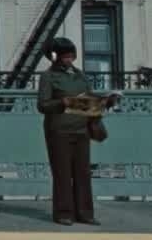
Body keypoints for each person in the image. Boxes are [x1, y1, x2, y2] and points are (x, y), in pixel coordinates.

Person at [35, 36, 117, 227]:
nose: (69, 60)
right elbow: (42, 105)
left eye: (71, 56)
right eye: (65, 56)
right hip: (59, 130)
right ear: (55, 57)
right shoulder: (48, 77)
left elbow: (89, 100)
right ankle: (63, 213)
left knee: (83, 173)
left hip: (81, 129)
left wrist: (106, 101)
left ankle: (85, 213)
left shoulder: (80, 75)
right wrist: (61, 103)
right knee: (62, 173)